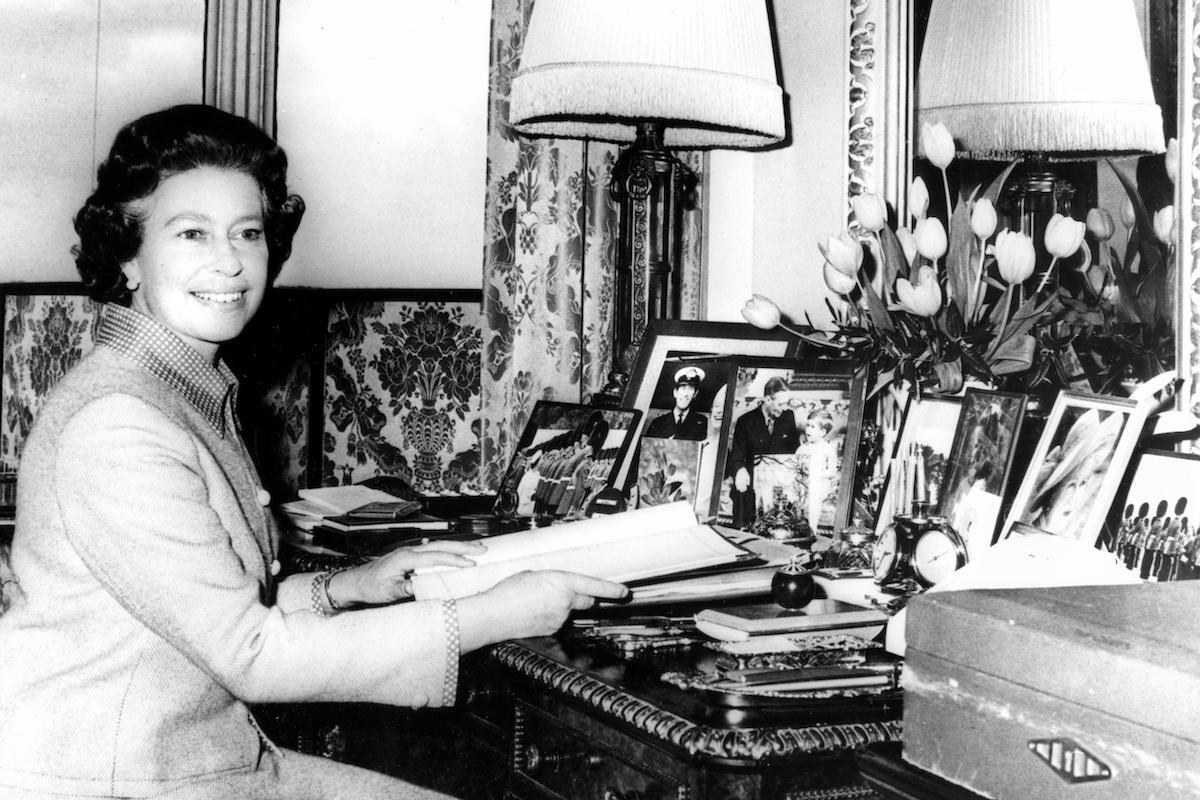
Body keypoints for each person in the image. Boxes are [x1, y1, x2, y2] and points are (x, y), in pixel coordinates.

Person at [0, 104, 627, 800]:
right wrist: (502, 614)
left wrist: (349, 586)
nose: (231, 263)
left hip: (194, 763)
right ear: (127, 255)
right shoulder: (121, 422)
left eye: (248, 232)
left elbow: (218, 604)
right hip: (115, 781)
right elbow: (252, 654)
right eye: (191, 234)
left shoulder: (173, 386)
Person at [725, 376, 799, 529]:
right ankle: (742, 534)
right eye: (781, 403)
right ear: (767, 399)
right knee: (741, 490)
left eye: (787, 403)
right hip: (753, 479)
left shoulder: (788, 417)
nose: (785, 408)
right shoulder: (745, 421)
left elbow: (794, 452)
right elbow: (737, 457)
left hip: (779, 479)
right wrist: (740, 470)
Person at [795, 408, 839, 530]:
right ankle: (798, 528)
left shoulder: (828, 448)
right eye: (807, 425)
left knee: (814, 493)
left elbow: (832, 471)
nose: (808, 429)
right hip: (803, 483)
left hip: (820, 483)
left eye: (812, 426)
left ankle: (812, 529)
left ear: (822, 432)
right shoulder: (802, 448)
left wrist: (815, 474)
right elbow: (795, 466)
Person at [643, 366, 708, 440]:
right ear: (675, 393)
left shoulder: (701, 422)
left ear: (695, 394)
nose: (686, 394)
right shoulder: (658, 423)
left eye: (691, 389)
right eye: (683, 388)